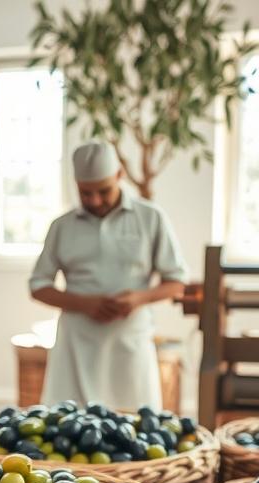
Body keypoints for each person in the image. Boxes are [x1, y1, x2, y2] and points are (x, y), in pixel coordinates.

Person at [29, 140, 188, 411]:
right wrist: (85, 304)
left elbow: (176, 282)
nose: (95, 200)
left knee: (137, 430)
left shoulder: (151, 218)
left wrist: (139, 298)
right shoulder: (61, 227)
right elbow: (38, 285)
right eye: (85, 193)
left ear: (119, 176)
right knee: (66, 431)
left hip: (130, 343)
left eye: (103, 191)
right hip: (74, 346)